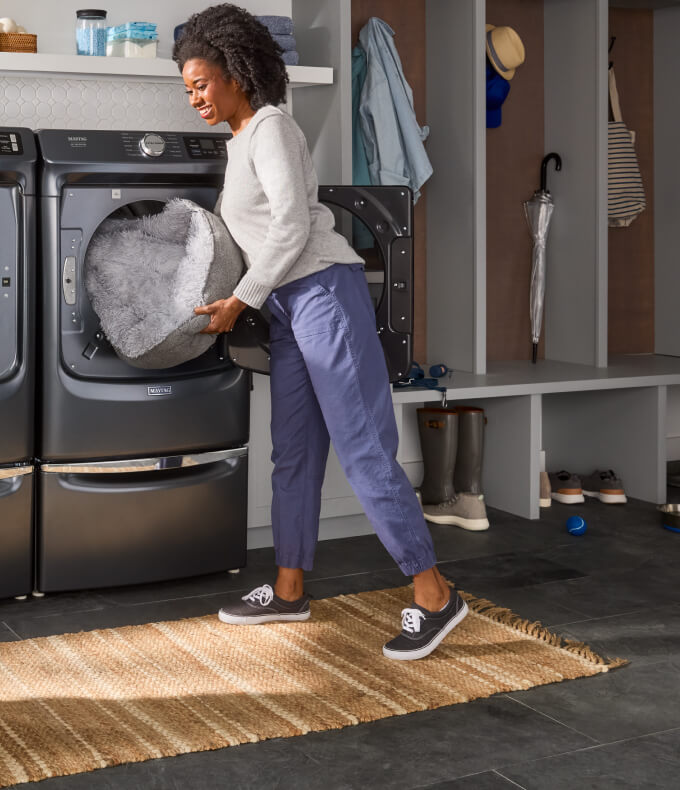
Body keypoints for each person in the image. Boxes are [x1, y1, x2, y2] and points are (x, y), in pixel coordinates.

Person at [175, 4, 465, 660]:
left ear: (236, 73)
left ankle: (435, 592)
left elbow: (293, 229)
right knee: (295, 453)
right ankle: (287, 589)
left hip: (323, 297)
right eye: (187, 88)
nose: (193, 96)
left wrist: (237, 301)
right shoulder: (242, 138)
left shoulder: (272, 128)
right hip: (284, 309)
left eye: (200, 83)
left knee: (362, 448)